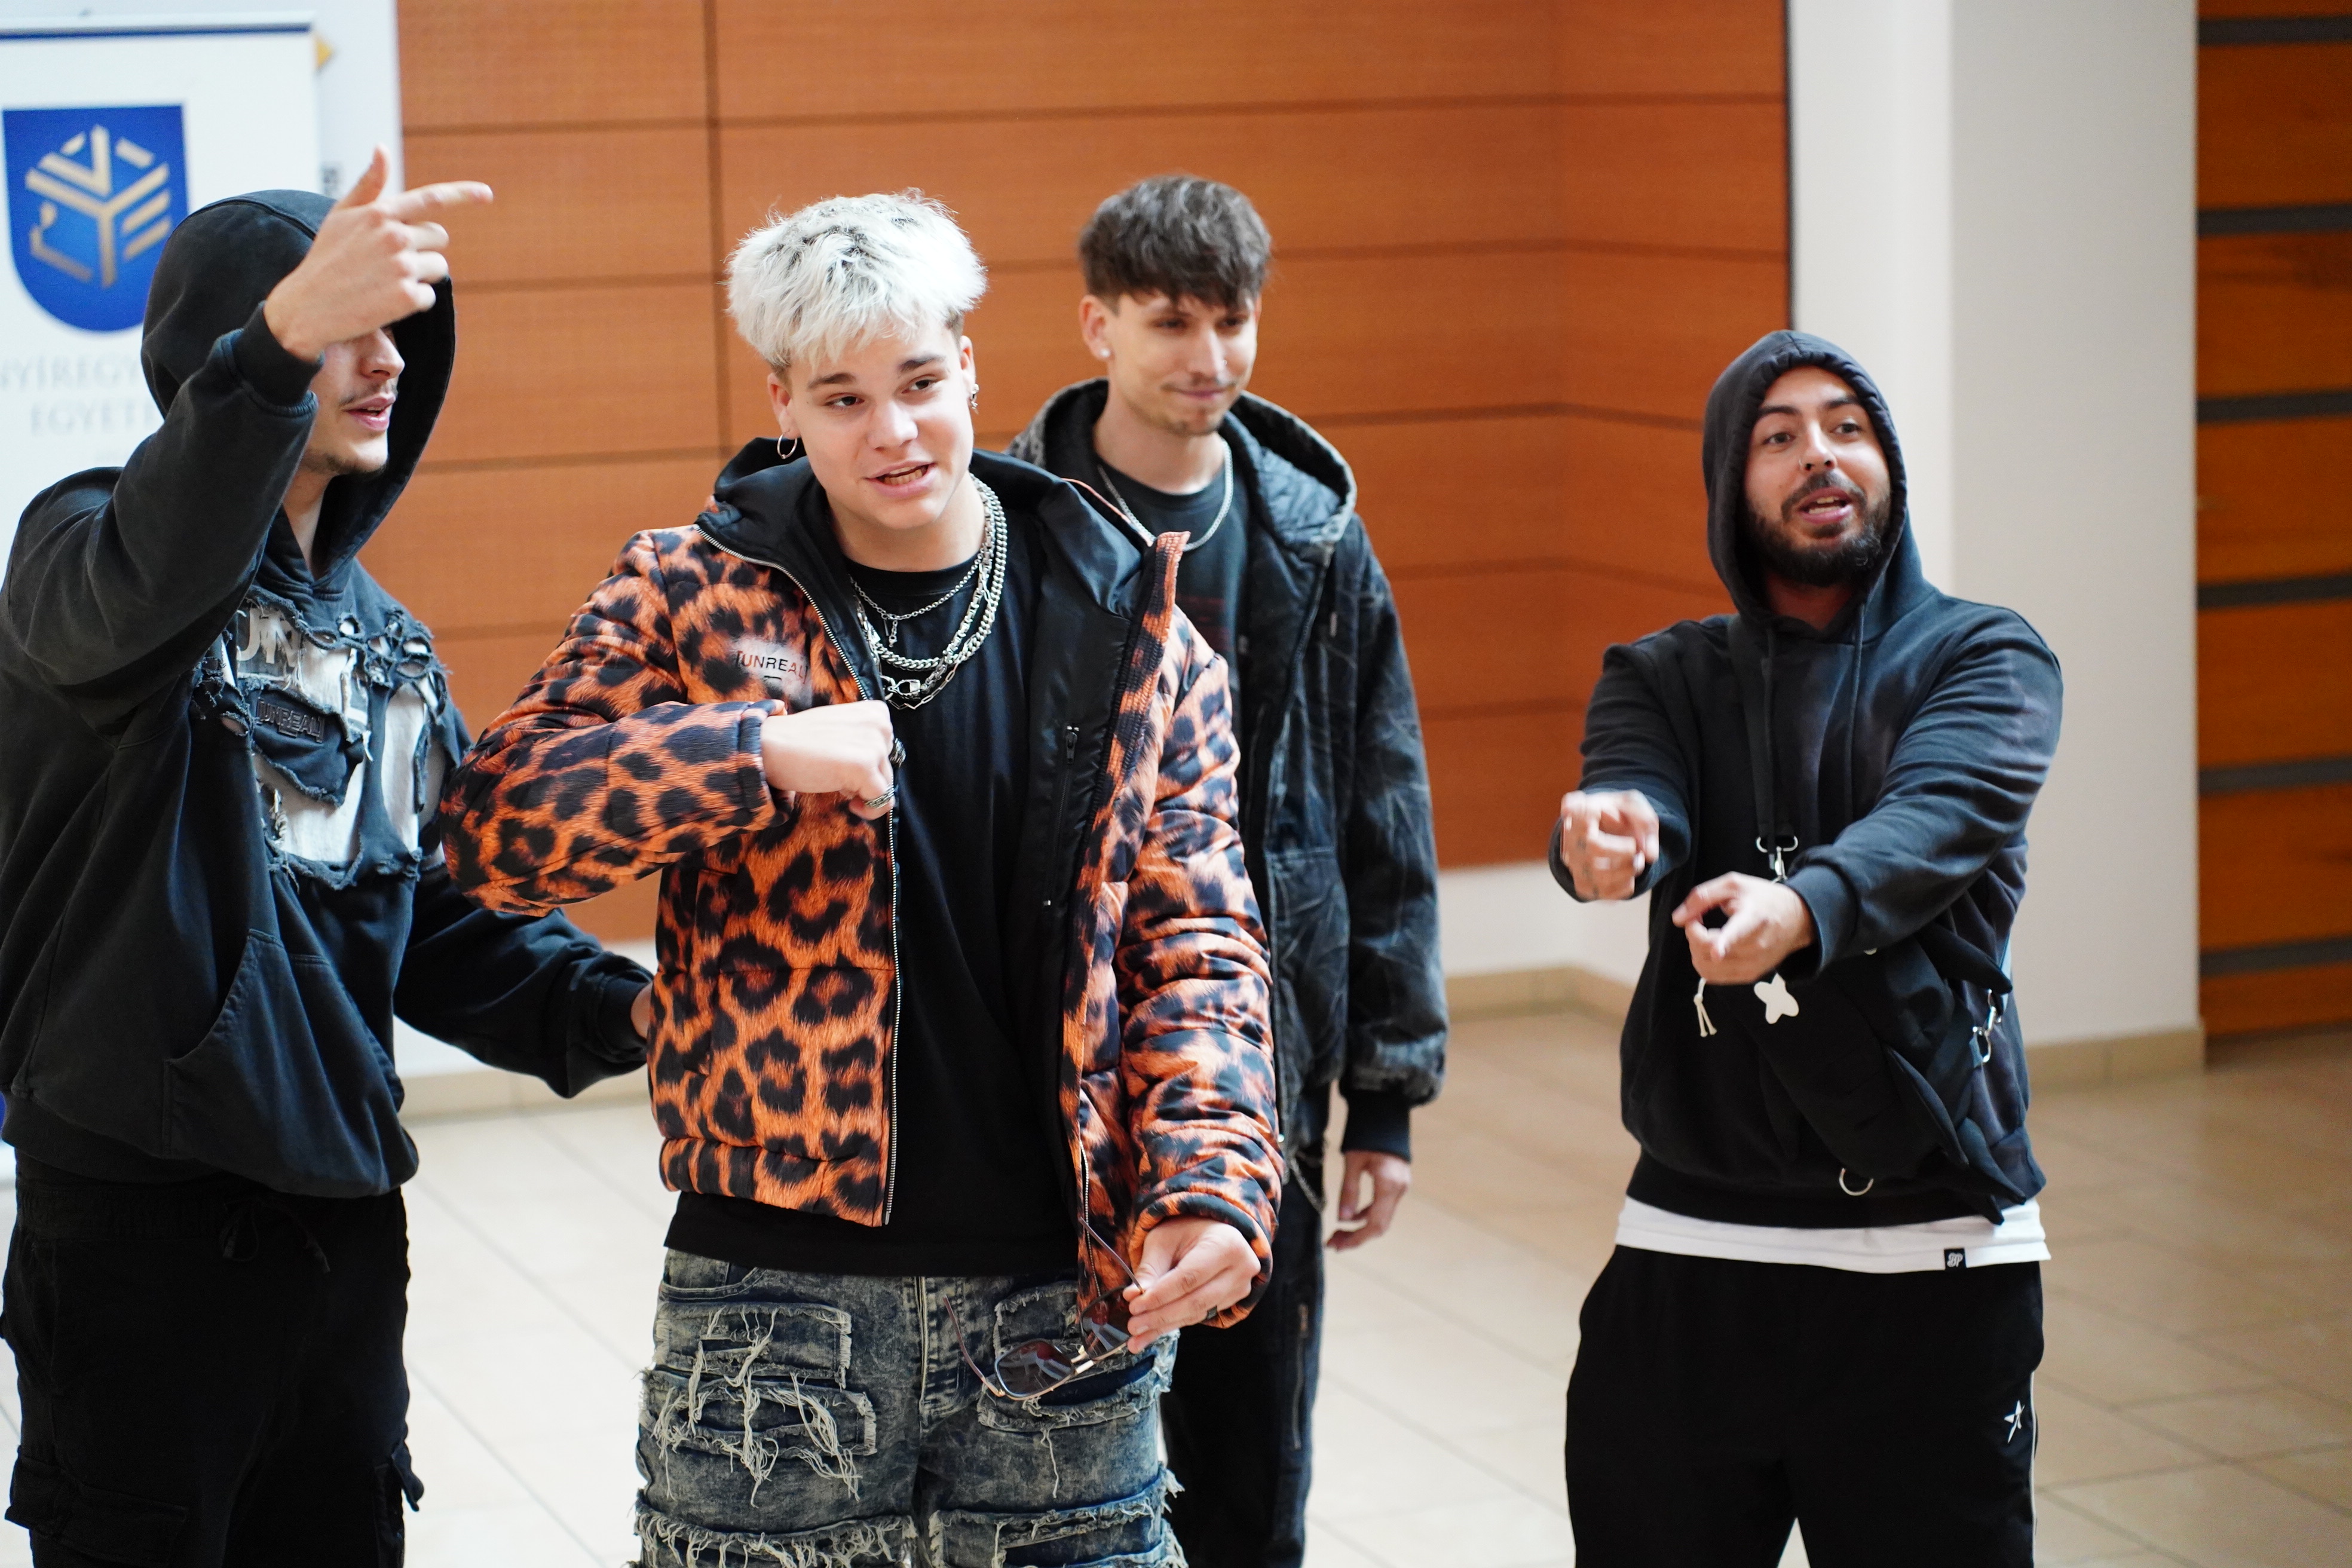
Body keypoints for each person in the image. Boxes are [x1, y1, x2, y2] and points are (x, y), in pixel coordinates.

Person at [437, 191, 1284, 1568]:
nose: (893, 432)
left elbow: (1198, 941)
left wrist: (1212, 1175)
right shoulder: (691, 592)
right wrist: (749, 753)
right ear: (783, 403)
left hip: (1057, 1296)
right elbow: (496, 828)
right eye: (843, 399)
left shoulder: (1126, 616)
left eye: (920, 382)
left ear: (970, 368)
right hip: (773, 1302)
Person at [0, 150, 656, 1564]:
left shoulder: (388, 643)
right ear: (241, 341)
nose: (388, 363)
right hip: (137, 1228)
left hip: (344, 1234)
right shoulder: (79, 549)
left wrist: (636, 1009)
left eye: (398, 333)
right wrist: (285, 339)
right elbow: (149, 580)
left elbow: (443, 924)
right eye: (352, 328)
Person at [1550, 330, 2063, 1567]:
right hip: (1691, 1247)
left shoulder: (1986, 657)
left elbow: (1934, 822)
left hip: (1933, 1254)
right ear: (1732, 489)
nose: (1819, 455)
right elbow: (1632, 792)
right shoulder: (1663, 674)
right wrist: (1607, 839)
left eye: (1846, 426)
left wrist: (1799, 911)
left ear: (1887, 463)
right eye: (1776, 438)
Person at [1007, 173, 1446, 1568]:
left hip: (1263, 1035)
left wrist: (1387, 1096)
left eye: (1233, 321)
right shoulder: (1006, 524)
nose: (1208, 356)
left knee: (1253, 1442)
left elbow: (1383, 812)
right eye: (1171, 322)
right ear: (1098, 324)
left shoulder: (1314, 533)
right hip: (1055, 1048)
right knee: (1055, 1436)